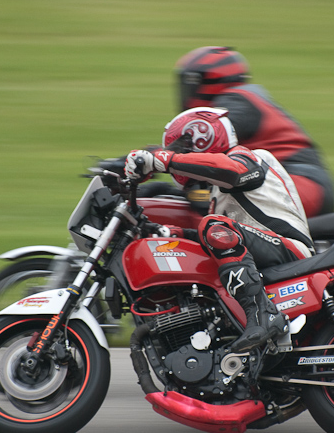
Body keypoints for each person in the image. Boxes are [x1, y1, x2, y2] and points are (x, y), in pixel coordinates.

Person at [124, 107, 314, 355]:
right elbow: (227, 241)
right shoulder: (218, 190)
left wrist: (162, 160)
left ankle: (262, 315)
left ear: (203, 136)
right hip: (266, 249)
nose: (178, 153)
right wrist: (176, 234)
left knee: (213, 225)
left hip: (288, 248)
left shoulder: (250, 157)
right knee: (210, 231)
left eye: (182, 147)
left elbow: (231, 172)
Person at [174, 46, 334, 218]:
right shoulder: (246, 98)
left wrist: (159, 157)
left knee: (212, 207)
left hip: (297, 183)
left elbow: (196, 144)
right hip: (291, 183)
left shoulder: (236, 100)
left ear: (208, 83)